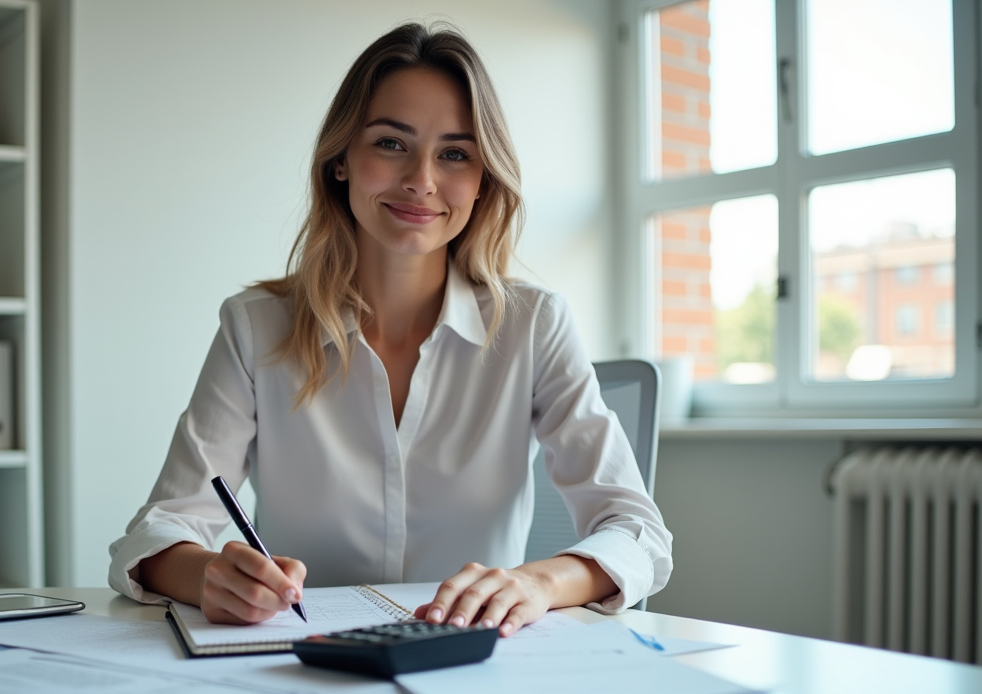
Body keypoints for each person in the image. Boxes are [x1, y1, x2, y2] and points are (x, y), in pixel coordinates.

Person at [108, 22, 672, 637]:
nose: (422, 180)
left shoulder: (533, 325)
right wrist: (208, 573)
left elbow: (638, 534)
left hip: (478, 664)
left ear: (483, 181)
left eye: (455, 153)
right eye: (390, 144)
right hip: (305, 663)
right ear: (342, 161)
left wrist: (539, 581)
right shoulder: (256, 327)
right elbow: (158, 528)